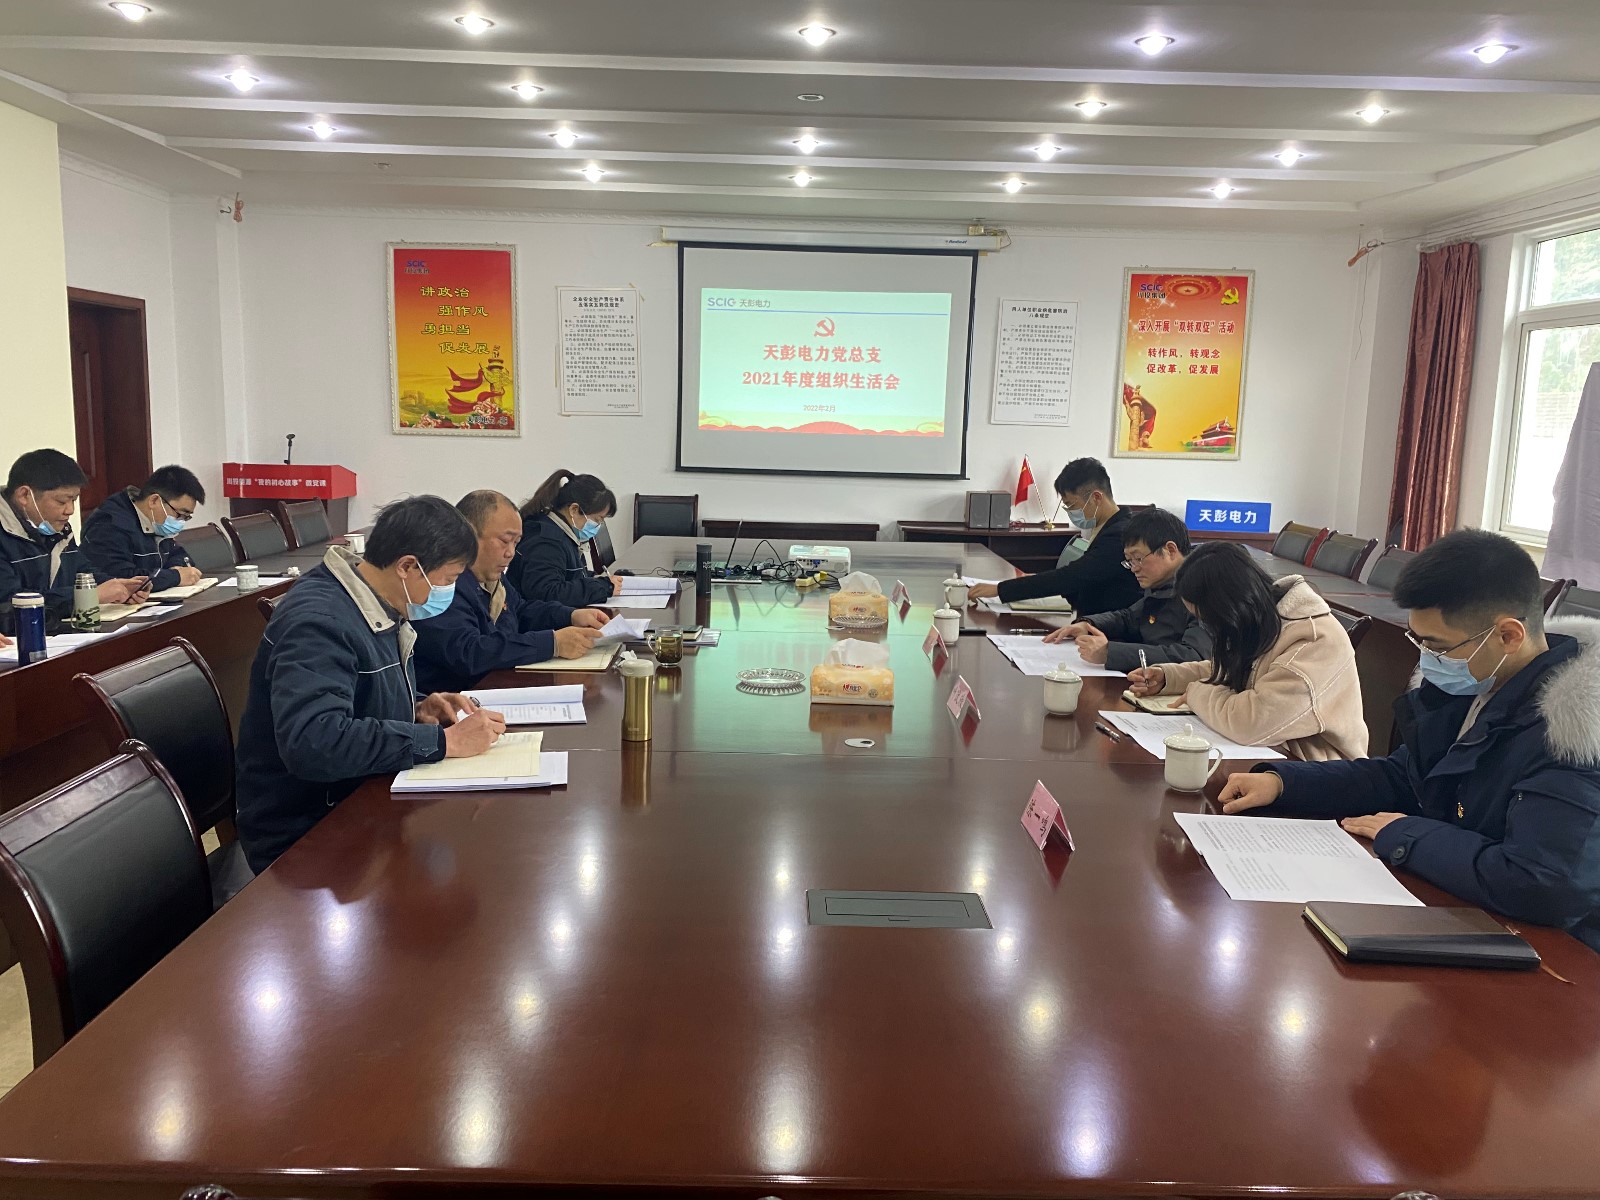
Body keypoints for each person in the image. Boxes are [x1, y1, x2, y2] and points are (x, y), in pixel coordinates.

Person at [1218, 530, 1600, 948]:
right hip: (1464, 908)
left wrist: (1406, 834)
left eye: (1437, 646)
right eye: (1417, 640)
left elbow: (1540, 884)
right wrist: (1285, 783)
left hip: (1556, 954)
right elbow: (1405, 776)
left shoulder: (1574, 734)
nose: (1425, 659)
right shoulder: (1476, 685)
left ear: (1508, 636)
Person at [235, 494, 507, 873]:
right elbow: (314, 741)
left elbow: (354, 696)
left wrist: (416, 706)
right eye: (448, 580)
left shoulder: (376, 599)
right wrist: (443, 742)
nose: (449, 591)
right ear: (407, 566)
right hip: (305, 832)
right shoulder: (319, 623)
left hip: (357, 795)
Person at [1127, 541, 1366, 760]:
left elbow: (1252, 722)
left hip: (1319, 773)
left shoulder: (1313, 642)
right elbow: (1235, 670)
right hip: (1270, 758)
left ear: (1229, 609)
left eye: (1207, 620)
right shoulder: (1266, 617)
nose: (1207, 628)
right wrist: (1170, 677)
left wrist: (1195, 692)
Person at [413, 489, 610, 694]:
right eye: (504, 541)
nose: (511, 553)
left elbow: (520, 611)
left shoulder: (493, 578)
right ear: (468, 535)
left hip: (495, 686)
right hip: (456, 698)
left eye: (516, 543)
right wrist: (552, 644)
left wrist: (570, 615)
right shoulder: (443, 584)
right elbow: (469, 652)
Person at [1042, 507, 1210, 672]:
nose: (1134, 568)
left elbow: (1195, 656)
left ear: (1170, 550)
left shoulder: (1206, 588)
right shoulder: (1162, 583)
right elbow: (1130, 617)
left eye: (1138, 558)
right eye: (1130, 561)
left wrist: (1110, 653)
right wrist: (1089, 624)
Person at [968, 458, 1142, 615]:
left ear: (1096, 497)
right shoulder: (1106, 527)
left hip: (1106, 629)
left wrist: (1000, 590)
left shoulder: (1119, 536)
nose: (1070, 512)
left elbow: (1071, 577)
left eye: (1071, 505)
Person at [0, 449, 147, 635]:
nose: (70, 510)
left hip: (59, 632)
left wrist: (119, 587)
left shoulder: (57, 529)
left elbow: (82, 572)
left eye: (74, 500)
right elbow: (8, 604)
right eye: (62, 501)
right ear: (24, 496)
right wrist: (88, 596)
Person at [80, 464, 207, 593]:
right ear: (154, 501)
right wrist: (175, 576)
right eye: (179, 514)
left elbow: (181, 556)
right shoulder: (110, 526)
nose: (180, 522)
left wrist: (174, 568)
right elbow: (123, 579)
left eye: (186, 517)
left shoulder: (157, 523)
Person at [510, 469, 621, 607]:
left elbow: (569, 574)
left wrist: (597, 580)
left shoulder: (564, 533)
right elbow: (547, 593)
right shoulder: (546, 542)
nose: (598, 526)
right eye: (597, 519)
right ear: (574, 509)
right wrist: (600, 587)